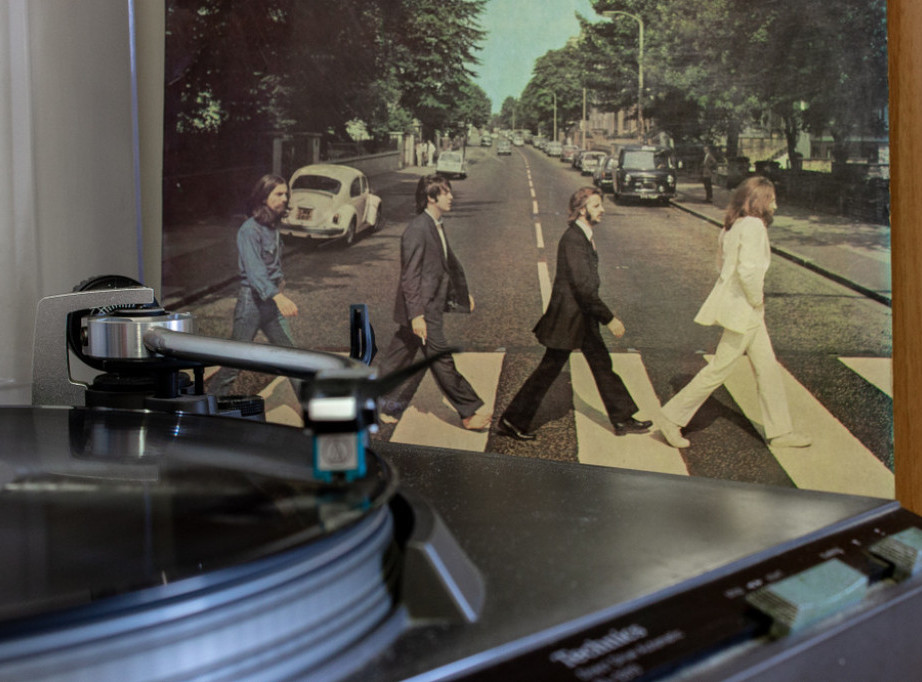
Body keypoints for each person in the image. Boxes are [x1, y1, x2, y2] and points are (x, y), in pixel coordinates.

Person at [658, 176, 811, 449]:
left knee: (767, 369)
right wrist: (756, 300)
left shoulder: (732, 226)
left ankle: (780, 432)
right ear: (759, 201)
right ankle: (671, 418)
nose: (775, 205)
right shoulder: (753, 226)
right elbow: (748, 271)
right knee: (719, 369)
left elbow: (722, 266)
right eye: (772, 199)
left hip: (742, 308)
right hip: (746, 310)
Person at [498, 186, 652, 441]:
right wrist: (609, 318)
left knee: (602, 365)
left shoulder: (583, 236)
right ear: (581, 210)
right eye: (596, 206)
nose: (602, 210)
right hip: (570, 320)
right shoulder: (573, 239)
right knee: (548, 370)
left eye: (600, 205)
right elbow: (583, 288)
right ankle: (512, 421)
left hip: (582, 318)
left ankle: (622, 418)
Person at [376, 174, 491, 431]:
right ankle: (469, 412)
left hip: (428, 305)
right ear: (431, 197)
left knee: (396, 360)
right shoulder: (417, 229)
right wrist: (417, 315)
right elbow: (410, 276)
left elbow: (441, 269)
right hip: (423, 310)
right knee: (441, 360)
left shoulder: (435, 224)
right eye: (446, 192)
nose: (451, 196)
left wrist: (461, 296)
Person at [209, 174, 299, 395]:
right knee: (234, 362)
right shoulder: (250, 230)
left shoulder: (272, 226)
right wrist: (277, 296)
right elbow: (255, 270)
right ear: (263, 197)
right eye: (279, 194)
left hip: (270, 303)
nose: (285, 198)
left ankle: (313, 409)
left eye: (286, 194)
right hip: (253, 304)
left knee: (294, 359)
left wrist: (279, 284)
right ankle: (209, 404)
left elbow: (271, 264)